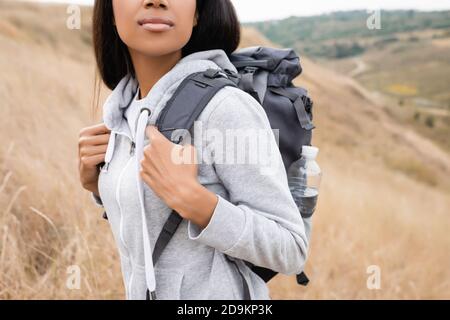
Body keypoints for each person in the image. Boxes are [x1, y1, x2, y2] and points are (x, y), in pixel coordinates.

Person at [78, 0, 308, 300]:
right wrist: (98, 186)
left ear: (198, 11)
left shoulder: (225, 108)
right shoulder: (123, 113)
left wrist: (197, 203)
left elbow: (291, 249)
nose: (155, 0)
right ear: (109, 10)